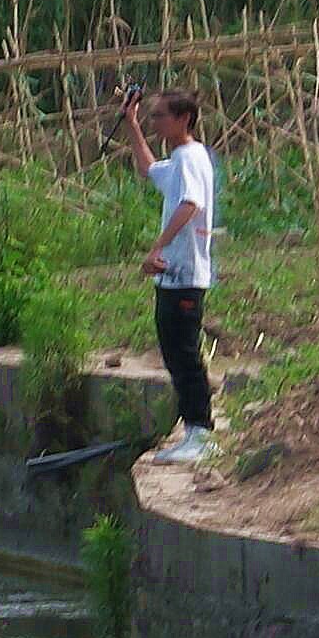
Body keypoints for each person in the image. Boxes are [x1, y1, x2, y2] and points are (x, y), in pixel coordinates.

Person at [133, 91, 220, 464]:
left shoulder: (190, 158)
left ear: (184, 118)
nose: (156, 124)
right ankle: (192, 431)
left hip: (184, 274)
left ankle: (200, 433)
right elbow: (148, 170)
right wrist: (132, 125)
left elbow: (190, 203)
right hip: (174, 277)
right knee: (173, 349)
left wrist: (158, 248)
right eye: (152, 118)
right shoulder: (182, 159)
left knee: (184, 352)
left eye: (160, 117)